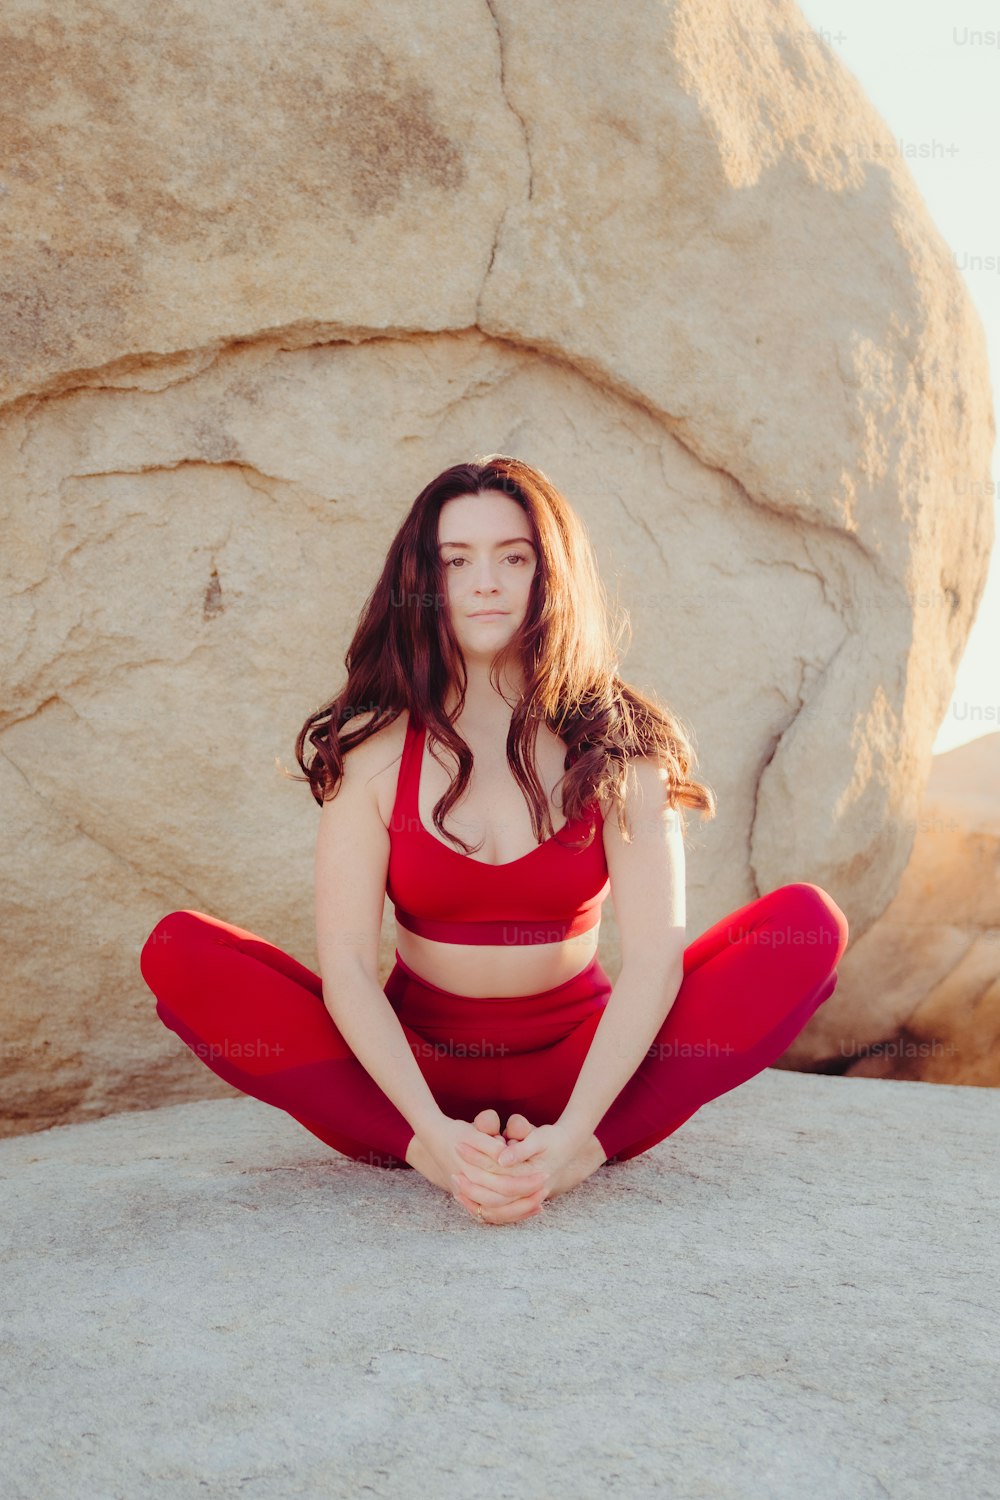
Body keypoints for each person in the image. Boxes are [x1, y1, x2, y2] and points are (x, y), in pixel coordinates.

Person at [140, 455, 849, 1227]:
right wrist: (430, 1140)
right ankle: (426, 1150)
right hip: (411, 1075)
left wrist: (576, 1137)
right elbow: (344, 964)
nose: (486, 582)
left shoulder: (622, 749)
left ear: (552, 575)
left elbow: (653, 961)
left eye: (514, 557)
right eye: (456, 560)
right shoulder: (373, 752)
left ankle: (579, 1152)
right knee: (179, 951)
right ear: (423, 578)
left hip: (583, 1071)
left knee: (807, 927)